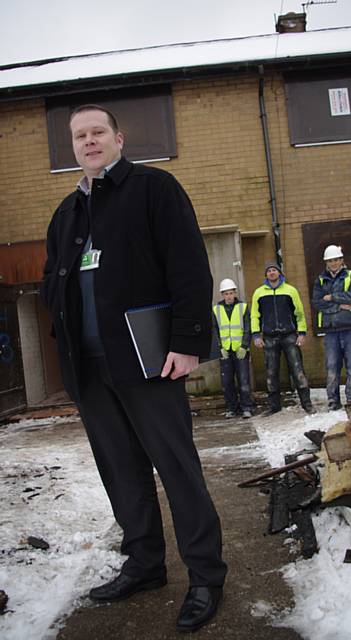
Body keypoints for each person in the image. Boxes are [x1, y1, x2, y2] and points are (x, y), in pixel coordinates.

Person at [40, 104, 226, 633]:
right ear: (72, 147)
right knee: (121, 473)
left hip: (150, 365)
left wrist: (188, 342)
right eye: (79, 135)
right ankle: (144, 565)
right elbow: (57, 287)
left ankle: (207, 576)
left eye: (98, 132)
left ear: (118, 138)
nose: (89, 141)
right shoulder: (66, 213)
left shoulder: (154, 189)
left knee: (177, 469)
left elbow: (188, 266)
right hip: (92, 372)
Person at [251, 262, 315, 415]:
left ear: (279, 273)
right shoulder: (259, 293)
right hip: (269, 338)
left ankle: (307, 404)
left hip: (290, 336)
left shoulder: (290, 290)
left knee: (298, 369)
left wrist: (302, 333)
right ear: (266, 275)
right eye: (269, 271)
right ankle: (274, 406)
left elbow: (299, 313)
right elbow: (255, 315)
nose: (272, 273)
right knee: (271, 372)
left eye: (274, 270)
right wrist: (256, 335)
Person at [312, 244, 351, 411]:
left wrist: (332, 297)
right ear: (326, 263)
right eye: (330, 261)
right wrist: (339, 306)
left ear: (342, 260)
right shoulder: (320, 280)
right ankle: (333, 402)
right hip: (331, 331)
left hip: (350, 328)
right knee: (332, 368)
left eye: (336, 260)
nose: (333, 263)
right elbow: (318, 302)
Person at [213, 278, 253, 419]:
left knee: (243, 380)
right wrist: (219, 348)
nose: (229, 296)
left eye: (231, 293)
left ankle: (246, 407)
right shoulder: (216, 309)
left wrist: (244, 345)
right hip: (225, 352)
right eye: (226, 294)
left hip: (240, 350)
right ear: (222, 295)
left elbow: (248, 327)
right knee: (227, 382)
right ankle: (231, 408)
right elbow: (214, 330)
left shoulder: (243, 307)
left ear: (235, 293)